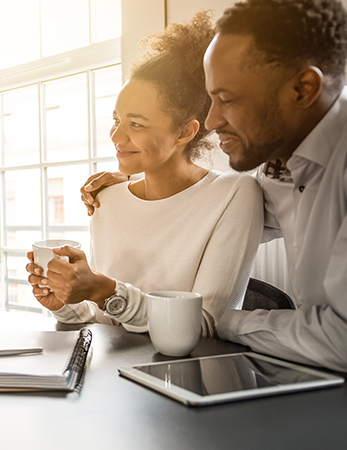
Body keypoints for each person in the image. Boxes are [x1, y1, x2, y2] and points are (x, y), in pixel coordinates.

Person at [82, 0, 347, 374]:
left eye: (227, 99)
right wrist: (136, 184)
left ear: (303, 88)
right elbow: (206, 206)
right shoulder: (279, 172)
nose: (213, 120)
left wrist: (223, 321)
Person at [26, 13, 264, 338]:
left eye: (136, 124)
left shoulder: (234, 194)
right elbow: (101, 318)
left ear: (185, 132)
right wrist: (64, 301)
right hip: (109, 377)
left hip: (183, 378)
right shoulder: (106, 198)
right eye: (116, 120)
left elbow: (204, 325)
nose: (116, 137)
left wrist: (105, 291)